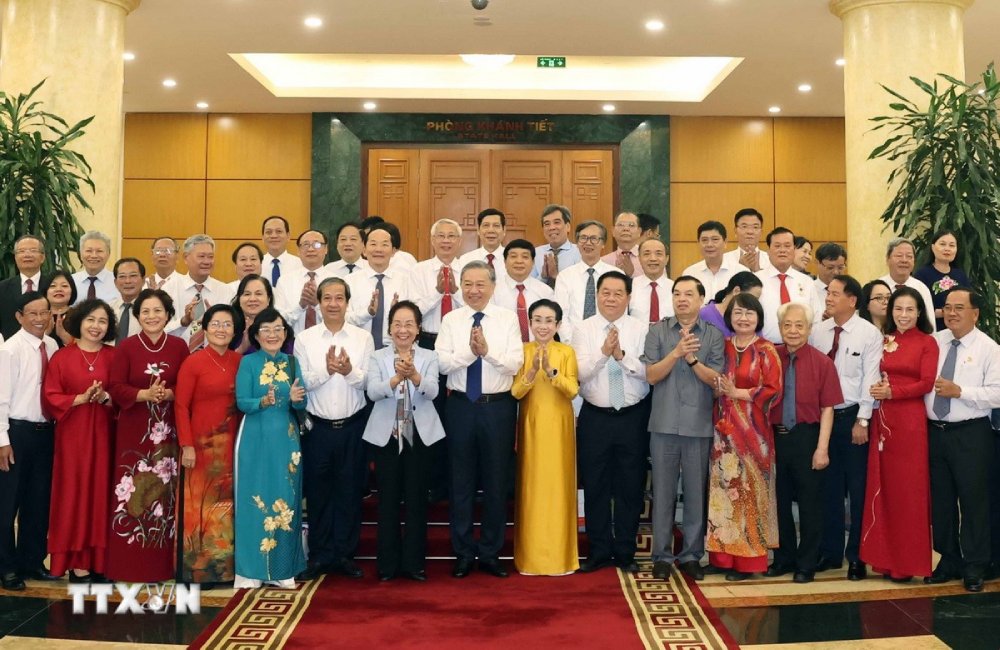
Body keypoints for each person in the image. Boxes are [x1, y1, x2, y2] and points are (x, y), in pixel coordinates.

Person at [436, 261, 521, 578]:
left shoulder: (507, 319)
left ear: (493, 286)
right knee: (461, 481)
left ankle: (489, 552)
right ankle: (462, 552)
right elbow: (443, 364)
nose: (473, 290)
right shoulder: (451, 319)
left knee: (497, 481)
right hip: (459, 406)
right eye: (467, 284)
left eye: (480, 284)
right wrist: (471, 354)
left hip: (497, 407)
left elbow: (514, 363)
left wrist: (487, 351)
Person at [643, 276, 725, 582]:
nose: (681, 299)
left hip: (698, 425)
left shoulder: (714, 336)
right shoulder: (657, 331)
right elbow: (651, 375)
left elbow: (716, 382)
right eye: (676, 293)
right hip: (663, 424)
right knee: (662, 493)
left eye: (688, 294)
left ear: (701, 299)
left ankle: (691, 555)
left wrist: (691, 359)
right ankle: (662, 555)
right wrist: (676, 353)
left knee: (695, 494)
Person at [106, 288, 189, 583]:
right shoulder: (126, 347)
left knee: (163, 497)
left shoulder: (179, 346)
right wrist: (143, 393)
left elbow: (189, 386)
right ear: (137, 316)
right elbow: (114, 387)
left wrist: (168, 393)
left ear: (168, 314)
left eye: (158, 311)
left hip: (167, 432)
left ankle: (159, 567)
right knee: (132, 493)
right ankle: (127, 566)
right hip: (133, 430)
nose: (152, 317)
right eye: (145, 312)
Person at [294, 278, 374, 580]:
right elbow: (302, 383)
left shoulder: (362, 338)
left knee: (350, 492)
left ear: (347, 302)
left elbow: (367, 381)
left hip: (353, 426)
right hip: (317, 429)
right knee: (318, 493)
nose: (333, 303)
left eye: (339, 298)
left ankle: (344, 555)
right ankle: (319, 556)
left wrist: (348, 371)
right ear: (318, 302)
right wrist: (327, 371)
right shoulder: (306, 339)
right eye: (327, 298)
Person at [924, 288, 1000, 592]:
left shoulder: (989, 348)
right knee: (940, 502)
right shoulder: (935, 342)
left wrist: (961, 392)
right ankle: (948, 559)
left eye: (959, 307)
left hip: (971, 434)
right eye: (947, 307)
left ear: (975, 313)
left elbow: (997, 392)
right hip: (935, 433)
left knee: (973, 501)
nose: (951, 313)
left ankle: (975, 564)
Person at [362, 301, 444, 582]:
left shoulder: (429, 357)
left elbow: (433, 391)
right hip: (387, 436)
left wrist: (415, 376)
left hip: (419, 436)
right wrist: (397, 378)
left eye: (409, 324)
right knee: (387, 501)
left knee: (416, 499)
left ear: (418, 329)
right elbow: (372, 392)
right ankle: (387, 565)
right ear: (389, 329)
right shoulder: (378, 357)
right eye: (397, 324)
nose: (403, 329)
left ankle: (414, 564)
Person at [575, 271, 651, 574]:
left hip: (633, 416)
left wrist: (621, 356)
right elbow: (580, 371)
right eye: (605, 292)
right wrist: (602, 354)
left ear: (629, 297)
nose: (611, 298)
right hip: (595, 416)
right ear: (598, 296)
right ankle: (598, 550)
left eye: (618, 293)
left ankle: (625, 551)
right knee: (595, 485)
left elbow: (648, 372)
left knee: (630, 487)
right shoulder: (583, 329)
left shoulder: (642, 329)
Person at [859, 286, 936, 582]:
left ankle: (910, 562)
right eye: (898, 309)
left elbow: (926, 382)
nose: (903, 315)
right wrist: (880, 392)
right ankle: (886, 560)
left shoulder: (927, 342)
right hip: (883, 418)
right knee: (885, 490)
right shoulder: (884, 340)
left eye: (909, 310)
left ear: (919, 313)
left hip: (910, 421)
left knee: (909, 491)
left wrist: (894, 392)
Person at [810, 275, 883, 581]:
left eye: (835, 293)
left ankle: (857, 557)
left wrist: (863, 419)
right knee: (827, 489)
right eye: (828, 292)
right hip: (823, 419)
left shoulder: (868, 334)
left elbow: (871, 377)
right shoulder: (818, 331)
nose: (828, 297)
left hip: (853, 417)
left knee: (857, 490)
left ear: (852, 300)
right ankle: (830, 552)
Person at [707, 293, 782, 580]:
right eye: (738, 313)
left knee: (750, 493)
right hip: (723, 432)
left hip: (754, 434)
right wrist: (717, 389)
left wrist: (738, 393)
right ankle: (722, 558)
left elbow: (774, 390)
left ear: (759, 318)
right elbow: (712, 382)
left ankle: (748, 562)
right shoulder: (722, 347)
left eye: (749, 313)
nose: (743, 318)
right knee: (724, 492)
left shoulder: (766, 350)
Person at [766, 302, 841, 584]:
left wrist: (822, 449)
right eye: (788, 325)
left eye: (799, 325)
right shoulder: (770, 356)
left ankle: (806, 563)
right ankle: (784, 558)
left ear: (809, 329)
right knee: (779, 502)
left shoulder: (823, 363)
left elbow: (828, 409)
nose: (793, 331)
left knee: (810, 504)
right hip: (775, 438)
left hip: (808, 438)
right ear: (781, 327)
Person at [43, 299, 116, 583]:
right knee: (73, 494)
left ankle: (101, 561)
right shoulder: (61, 357)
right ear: (79, 322)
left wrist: (106, 397)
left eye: (102, 321)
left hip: (105, 434)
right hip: (72, 435)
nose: (96, 326)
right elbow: (49, 396)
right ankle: (75, 562)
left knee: (102, 494)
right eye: (90, 320)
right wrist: (80, 399)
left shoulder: (114, 356)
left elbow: (122, 394)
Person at [234, 307, 307, 588]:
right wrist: (261, 402)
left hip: (286, 440)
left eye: (278, 329)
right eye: (266, 330)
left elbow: (300, 404)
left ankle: (282, 569)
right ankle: (249, 571)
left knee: (286, 499)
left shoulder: (292, 362)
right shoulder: (248, 363)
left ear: (285, 333)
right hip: (255, 437)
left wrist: (298, 398)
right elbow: (242, 401)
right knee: (254, 500)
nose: (272, 334)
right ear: (256, 335)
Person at [175, 303, 244, 587]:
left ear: (235, 331)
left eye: (227, 324)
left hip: (231, 446)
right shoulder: (194, 361)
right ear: (205, 328)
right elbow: (180, 406)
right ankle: (196, 571)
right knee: (197, 506)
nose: (221, 330)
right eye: (215, 324)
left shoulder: (239, 362)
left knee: (225, 508)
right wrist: (186, 445)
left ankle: (223, 569)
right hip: (200, 446)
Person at [511, 299, 580, 576]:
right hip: (531, 427)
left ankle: (560, 557)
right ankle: (530, 558)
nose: (542, 325)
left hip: (560, 429)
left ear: (558, 325)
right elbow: (515, 392)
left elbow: (573, 390)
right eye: (537, 320)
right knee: (531, 489)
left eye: (549, 320)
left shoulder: (566, 352)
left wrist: (552, 371)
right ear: (529, 322)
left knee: (558, 488)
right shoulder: (522, 351)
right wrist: (531, 372)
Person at [0, 291, 60, 590]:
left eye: (44, 312)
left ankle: (32, 561)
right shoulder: (10, 349)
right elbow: (0, 398)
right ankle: (7, 567)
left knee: (38, 501)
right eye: (33, 313)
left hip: (45, 432)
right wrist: (2, 440)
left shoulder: (51, 344)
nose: (40, 319)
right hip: (16, 433)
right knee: (7, 503)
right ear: (19, 316)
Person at [164, 234, 236, 351]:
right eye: (201, 256)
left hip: (214, 357)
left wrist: (215, 321)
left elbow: (233, 330)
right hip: (175, 355)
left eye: (210, 257)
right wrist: (183, 322)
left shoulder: (226, 291)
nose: (207, 261)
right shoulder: (169, 289)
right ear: (186, 257)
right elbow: (160, 330)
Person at [346, 224, 409, 350]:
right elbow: (344, 318)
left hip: (394, 349)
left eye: (385, 244)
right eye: (373, 244)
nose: (378, 249)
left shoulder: (405, 281)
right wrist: (368, 312)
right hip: (359, 349)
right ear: (364, 250)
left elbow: (413, 319)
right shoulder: (349, 281)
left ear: (393, 251)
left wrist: (396, 313)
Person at [553, 220, 616, 343]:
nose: (588, 243)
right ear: (577, 243)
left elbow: (619, 314)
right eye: (583, 238)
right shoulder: (565, 276)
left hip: (608, 344)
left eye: (594, 238)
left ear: (603, 243)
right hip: (572, 344)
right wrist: (572, 343)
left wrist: (608, 343)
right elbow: (561, 315)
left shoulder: (616, 275)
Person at [409, 219, 465, 349]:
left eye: (451, 236)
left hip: (461, 339)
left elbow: (475, 308)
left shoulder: (468, 270)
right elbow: (413, 312)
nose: (446, 241)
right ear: (432, 240)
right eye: (441, 236)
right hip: (428, 339)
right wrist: (437, 293)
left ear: (459, 241)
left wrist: (455, 292)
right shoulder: (418, 270)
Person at [756, 227, 816, 343]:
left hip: (800, 348)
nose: (782, 250)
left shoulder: (807, 282)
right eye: (777, 246)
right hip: (766, 349)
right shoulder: (756, 280)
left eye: (787, 246)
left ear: (794, 250)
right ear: (768, 251)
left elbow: (816, 319)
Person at [491, 239, 554, 343]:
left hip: (538, 351)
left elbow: (552, 325)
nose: (519, 261)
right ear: (505, 262)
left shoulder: (545, 292)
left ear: (533, 262)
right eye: (513, 256)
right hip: (502, 351)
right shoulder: (492, 290)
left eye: (525, 257)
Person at [274, 230, 335, 335]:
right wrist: (301, 306)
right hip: (293, 344)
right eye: (306, 245)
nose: (311, 249)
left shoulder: (336, 281)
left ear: (326, 249)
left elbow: (340, 319)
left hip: (328, 341)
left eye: (317, 244)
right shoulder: (284, 281)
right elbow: (278, 321)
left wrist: (317, 304)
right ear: (298, 250)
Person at [913, 230, 971, 331]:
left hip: (958, 331)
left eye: (952, 245)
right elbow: (916, 308)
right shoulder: (921, 275)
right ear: (933, 247)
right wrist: (942, 313)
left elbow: (969, 303)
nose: (947, 249)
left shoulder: (960, 275)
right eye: (942, 244)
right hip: (932, 331)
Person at [682, 221, 750, 304]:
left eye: (715, 239)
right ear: (698, 243)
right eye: (704, 240)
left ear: (725, 243)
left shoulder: (741, 272)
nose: (709, 244)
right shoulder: (690, 273)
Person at [877, 237, 935, 331]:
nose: (904, 260)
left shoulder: (921, 288)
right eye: (899, 256)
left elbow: (930, 323)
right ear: (888, 259)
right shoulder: (878, 287)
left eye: (909, 256)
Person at [0, 235, 47, 340]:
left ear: (42, 257)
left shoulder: (52, 286)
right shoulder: (2, 288)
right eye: (22, 251)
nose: (27, 254)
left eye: (33, 250)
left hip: (46, 349)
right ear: (15, 258)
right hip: (10, 350)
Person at [699, 271, 763, 337]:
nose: (755, 302)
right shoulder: (704, 314)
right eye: (753, 298)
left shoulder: (753, 318)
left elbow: (759, 343)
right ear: (736, 291)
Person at [533, 204, 581, 287]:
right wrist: (543, 277)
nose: (552, 228)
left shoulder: (580, 252)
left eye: (557, 222)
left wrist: (556, 277)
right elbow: (528, 288)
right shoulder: (535, 253)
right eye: (547, 224)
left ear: (568, 226)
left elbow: (581, 287)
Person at [629, 238, 674, 325]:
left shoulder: (676, 288)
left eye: (658, 254)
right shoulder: (629, 287)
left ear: (667, 259)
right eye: (646, 254)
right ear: (639, 259)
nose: (653, 259)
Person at [231, 274, 279, 354]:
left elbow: (288, 362)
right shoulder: (229, 329)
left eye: (258, 294)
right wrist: (242, 348)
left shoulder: (279, 329)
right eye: (247, 294)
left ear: (268, 299)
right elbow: (220, 363)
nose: (252, 299)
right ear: (239, 299)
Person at [457, 208, 509, 281]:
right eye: (486, 225)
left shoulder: (512, 259)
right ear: (478, 230)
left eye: (496, 225)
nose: (491, 230)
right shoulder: (465, 260)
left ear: (504, 230)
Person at [71, 230, 117, 304]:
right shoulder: (71, 282)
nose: (94, 256)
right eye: (89, 251)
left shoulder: (118, 283)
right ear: (80, 254)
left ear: (108, 254)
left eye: (99, 251)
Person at [722, 208, 772, 273]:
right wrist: (740, 268)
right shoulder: (724, 260)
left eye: (755, 227)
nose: (750, 231)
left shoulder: (771, 260)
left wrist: (757, 271)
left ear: (761, 232)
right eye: (744, 226)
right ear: (735, 231)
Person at [109, 258, 146, 343]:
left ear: (143, 280)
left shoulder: (151, 310)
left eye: (133, 276)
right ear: (115, 282)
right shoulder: (108, 309)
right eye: (122, 276)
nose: (127, 281)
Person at [261, 215, 303, 287]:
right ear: (263, 237)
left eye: (279, 231)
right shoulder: (256, 264)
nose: (274, 236)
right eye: (269, 232)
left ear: (288, 236)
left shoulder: (300, 264)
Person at [40, 270, 77, 347]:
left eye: (64, 286)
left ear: (72, 290)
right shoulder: (38, 316)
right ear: (45, 291)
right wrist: (44, 334)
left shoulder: (80, 316)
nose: (59, 289)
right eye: (53, 286)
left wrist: (67, 339)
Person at [811, 243, 847, 322]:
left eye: (841, 267)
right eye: (830, 267)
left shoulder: (849, 291)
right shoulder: (808, 289)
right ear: (817, 263)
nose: (836, 272)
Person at [601, 212, 643, 278]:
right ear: (613, 231)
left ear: (639, 232)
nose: (626, 229)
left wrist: (632, 274)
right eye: (621, 225)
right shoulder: (603, 262)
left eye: (631, 225)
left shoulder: (649, 259)